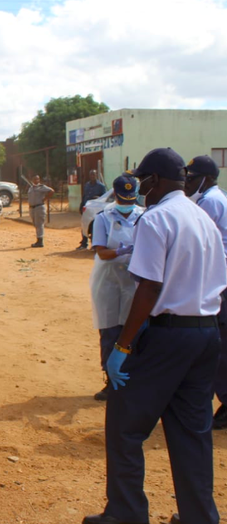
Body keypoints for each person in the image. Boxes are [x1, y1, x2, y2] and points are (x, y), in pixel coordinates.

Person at [83, 148, 227, 524]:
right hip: (205, 333)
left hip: (168, 336)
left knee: (125, 425)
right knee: (192, 433)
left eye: (142, 180)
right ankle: (199, 517)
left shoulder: (157, 219)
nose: (140, 188)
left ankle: (126, 513)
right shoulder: (202, 217)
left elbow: (148, 288)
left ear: (154, 181)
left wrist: (122, 344)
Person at [88, 174, 142, 401]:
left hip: (134, 280)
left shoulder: (145, 217)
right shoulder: (104, 218)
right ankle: (110, 380)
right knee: (110, 329)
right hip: (108, 279)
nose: (128, 202)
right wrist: (121, 251)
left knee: (133, 329)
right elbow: (101, 251)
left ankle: (133, 379)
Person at [184, 155, 227, 430]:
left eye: (192, 177)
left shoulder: (210, 202)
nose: (188, 182)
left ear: (207, 178)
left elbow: (203, 243)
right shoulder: (216, 197)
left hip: (219, 277)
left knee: (217, 343)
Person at [78, 169, 107, 250]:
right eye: (91, 175)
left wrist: (97, 198)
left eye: (93, 175)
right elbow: (84, 196)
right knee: (84, 225)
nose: (92, 176)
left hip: (95, 208)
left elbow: (104, 198)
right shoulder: (87, 185)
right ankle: (84, 243)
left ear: (96, 175)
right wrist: (81, 206)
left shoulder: (101, 186)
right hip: (86, 207)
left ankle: (94, 244)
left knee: (94, 226)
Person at [27, 175, 54, 248]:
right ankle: (38, 239)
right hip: (32, 208)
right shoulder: (31, 188)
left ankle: (40, 241)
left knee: (39, 224)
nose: (36, 180)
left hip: (39, 207)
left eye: (37, 179)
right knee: (35, 224)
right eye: (35, 179)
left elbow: (51, 191)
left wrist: (45, 199)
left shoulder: (41, 187)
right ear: (32, 180)